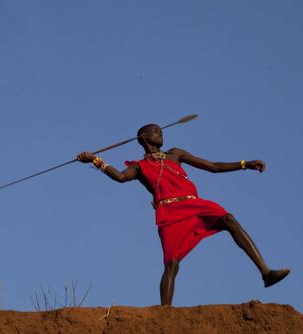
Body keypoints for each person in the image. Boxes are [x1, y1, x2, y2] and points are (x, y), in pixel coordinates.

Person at [77, 123, 290, 306]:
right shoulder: (139, 166)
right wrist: (95, 160)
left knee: (228, 219)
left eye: (161, 130)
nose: (160, 132)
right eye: (155, 130)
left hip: (194, 205)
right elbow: (121, 177)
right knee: (171, 264)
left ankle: (265, 272)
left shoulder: (176, 153)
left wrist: (245, 164)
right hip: (169, 213)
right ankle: (165, 313)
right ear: (143, 138)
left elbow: (214, 166)